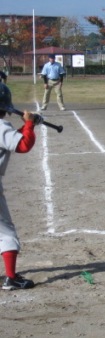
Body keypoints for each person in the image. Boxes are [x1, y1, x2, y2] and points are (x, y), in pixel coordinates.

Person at [0, 83, 37, 290]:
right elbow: (23, 145)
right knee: (6, 234)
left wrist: (29, 125)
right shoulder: (1, 126)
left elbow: (13, 140)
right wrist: (29, 125)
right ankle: (11, 278)